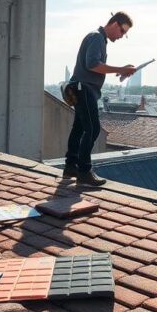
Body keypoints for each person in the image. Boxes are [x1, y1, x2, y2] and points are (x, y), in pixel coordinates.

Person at [64, 12, 136, 186]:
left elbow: (94, 66)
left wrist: (120, 70)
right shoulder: (97, 38)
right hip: (85, 90)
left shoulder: (98, 38)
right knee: (93, 129)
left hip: (81, 88)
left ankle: (71, 167)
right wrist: (121, 68)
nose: (121, 36)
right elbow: (92, 64)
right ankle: (84, 171)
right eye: (122, 31)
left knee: (79, 129)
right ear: (114, 24)